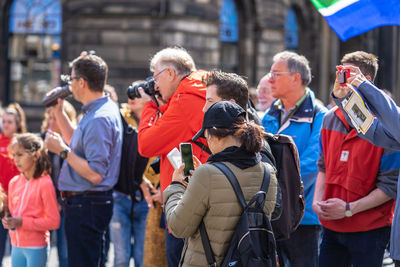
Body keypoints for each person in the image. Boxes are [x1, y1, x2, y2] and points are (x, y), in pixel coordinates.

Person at [163, 100, 277, 266]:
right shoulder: (268, 172)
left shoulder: (207, 174)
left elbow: (178, 227)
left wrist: (176, 186)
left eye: (206, 137)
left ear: (214, 135)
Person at [313, 51, 399, 267]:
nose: (341, 78)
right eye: (340, 73)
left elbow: (389, 185)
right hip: (332, 227)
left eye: (348, 74)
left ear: (366, 80)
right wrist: (318, 200)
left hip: (370, 228)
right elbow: (322, 165)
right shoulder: (330, 119)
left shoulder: (388, 126)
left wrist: (350, 208)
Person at [45, 51, 123, 267]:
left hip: (87, 203)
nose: (69, 84)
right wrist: (58, 112)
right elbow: (79, 145)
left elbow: (95, 174)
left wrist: (62, 151)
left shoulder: (99, 118)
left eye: (71, 79)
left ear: (81, 83)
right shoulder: (98, 110)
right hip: (87, 203)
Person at [137, 46, 210, 267]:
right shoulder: (201, 89)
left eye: (155, 77)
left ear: (170, 73)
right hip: (201, 199)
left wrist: (149, 106)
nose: (155, 85)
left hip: (187, 208)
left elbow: (146, 145)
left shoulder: (186, 101)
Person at [261, 51, 327, 267]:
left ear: (295, 78)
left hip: (304, 218)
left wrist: (271, 190)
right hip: (271, 215)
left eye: (275, 74)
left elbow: (311, 166)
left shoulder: (319, 115)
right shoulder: (269, 114)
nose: (269, 79)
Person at [110, 82, 156, 267]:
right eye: (130, 93)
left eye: (137, 94)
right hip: (121, 195)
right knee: (121, 256)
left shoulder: (158, 120)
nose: (131, 98)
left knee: (141, 256)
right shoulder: (119, 118)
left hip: (148, 198)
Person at [3, 133, 60, 267]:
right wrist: (8, 221)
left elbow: (54, 221)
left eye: (21, 155)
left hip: (36, 247)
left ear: (36, 156)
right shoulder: (14, 183)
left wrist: (22, 222)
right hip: (15, 246)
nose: (16, 160)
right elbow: (14, 214)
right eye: (15, 154)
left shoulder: (45, 183)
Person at [40, 101, 77, 267]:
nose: (51, 122)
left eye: (55, 118)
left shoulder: (73, 143)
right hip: (46, 203)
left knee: (64, 252)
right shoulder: (43, 141)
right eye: (49, 118)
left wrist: (60, 200)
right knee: (41, 250)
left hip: (65, 204)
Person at [0, 103, 26, 265]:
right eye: (4, 121)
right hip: (1, 202)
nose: (6, 125)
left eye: (10, 122)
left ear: (17, 124)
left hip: (18, 203)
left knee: (19, 247)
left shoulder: (22, 144)